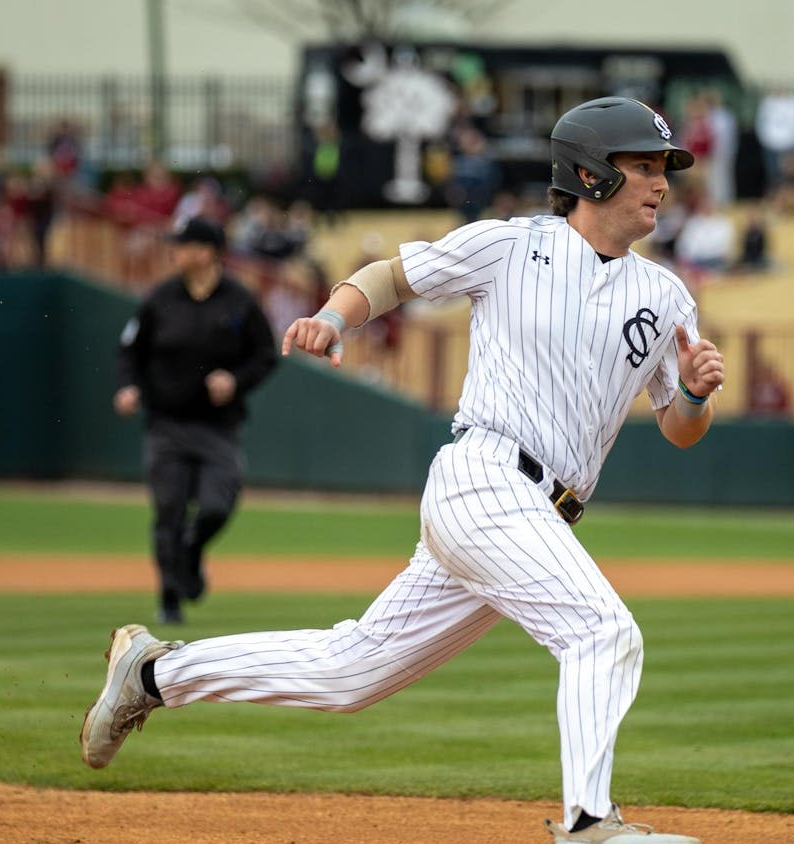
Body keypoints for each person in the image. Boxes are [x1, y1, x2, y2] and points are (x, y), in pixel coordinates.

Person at [82, 96, 722, 844]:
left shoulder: (665, 294)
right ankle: (587, 822)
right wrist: (333, 316)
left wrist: (696, 394)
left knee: (349, 673)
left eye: (663, 169)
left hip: (536, 514)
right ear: (589, 173)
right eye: (642, 166)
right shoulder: (511, 245)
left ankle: (154, 674)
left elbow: (681, 430)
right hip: (485, 477)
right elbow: (390, 277)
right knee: (601, 632)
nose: (661, 184)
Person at [113, 217, 278, 624]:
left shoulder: (239, 301)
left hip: (217, 427)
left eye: (184, 245)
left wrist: (235, 381)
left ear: (207, 252)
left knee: (216, 506)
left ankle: (192, 549)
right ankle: (169, 598)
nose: (176, 251)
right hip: (166, 423)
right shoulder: (160, 299)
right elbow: (129, 351)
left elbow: (265, 355)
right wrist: (128, 387)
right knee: (168, 510)